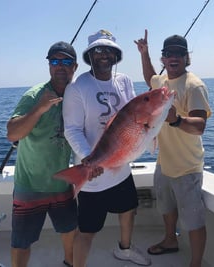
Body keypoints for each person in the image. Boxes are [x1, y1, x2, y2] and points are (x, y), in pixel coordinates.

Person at [62, 30, 151, 267]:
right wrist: (89, 161)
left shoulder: (124, 81)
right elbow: (72, 130)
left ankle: (125, 249)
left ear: (116, 55)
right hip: (93, 174)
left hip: (121, 166)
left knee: (129, 209)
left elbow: (136, 118)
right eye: (99, 50)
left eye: (109, 50)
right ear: (90, 55)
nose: (104, 54)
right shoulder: (77, 88)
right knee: (88, 230)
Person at [135, 30, 211, 267]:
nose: (174, 57)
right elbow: (150, 78)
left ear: (186, 57)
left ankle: (195, 263)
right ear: (164, 59)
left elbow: (200, 126)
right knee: (166, 208)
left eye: (179, 53)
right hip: (164, 163)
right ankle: (170, 240)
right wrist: (144, 54)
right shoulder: (162, 82)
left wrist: (176, 120)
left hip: (187, 167)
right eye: (169, 54)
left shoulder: (194, 86)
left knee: (193, 221)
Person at [7, 41, 78, 267]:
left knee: (70, 234)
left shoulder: (77, 97)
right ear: (49, 66)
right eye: (54, 61)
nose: (60, 66)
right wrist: (39, 108)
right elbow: (12, 133)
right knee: (21, 243)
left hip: (62, 184)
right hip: (30, 185)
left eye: (66, 61)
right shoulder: (34, 95)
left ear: (74, 67)